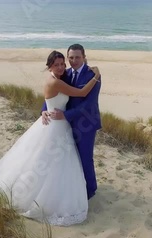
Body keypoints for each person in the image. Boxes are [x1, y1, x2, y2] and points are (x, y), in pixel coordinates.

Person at [0, 50, 101, 226]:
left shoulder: (63, 75)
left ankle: (88, 189)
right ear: (50, 66)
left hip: (68, 123)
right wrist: (97, 75)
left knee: (65, 160)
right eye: (58, 63)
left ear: (83, 57)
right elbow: (80, 93)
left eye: (63, 63)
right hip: (57, 125)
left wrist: (48, 110)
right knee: (48, 161)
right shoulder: (58, 79)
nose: (62, 66)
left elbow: (85, 102)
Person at [41, 44, 102, 200]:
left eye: (77, 57)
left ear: (84, 57)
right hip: (65, 124)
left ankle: (90, 190)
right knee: (69, 158)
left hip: (85, 123)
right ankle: (74, 187)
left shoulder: (93, 75)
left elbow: (89, 104)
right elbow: (51, 93)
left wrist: (66, 115)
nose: (74, 60)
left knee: (85, 157)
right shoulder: (64, 73)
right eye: (71, 57)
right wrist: (44, 109)